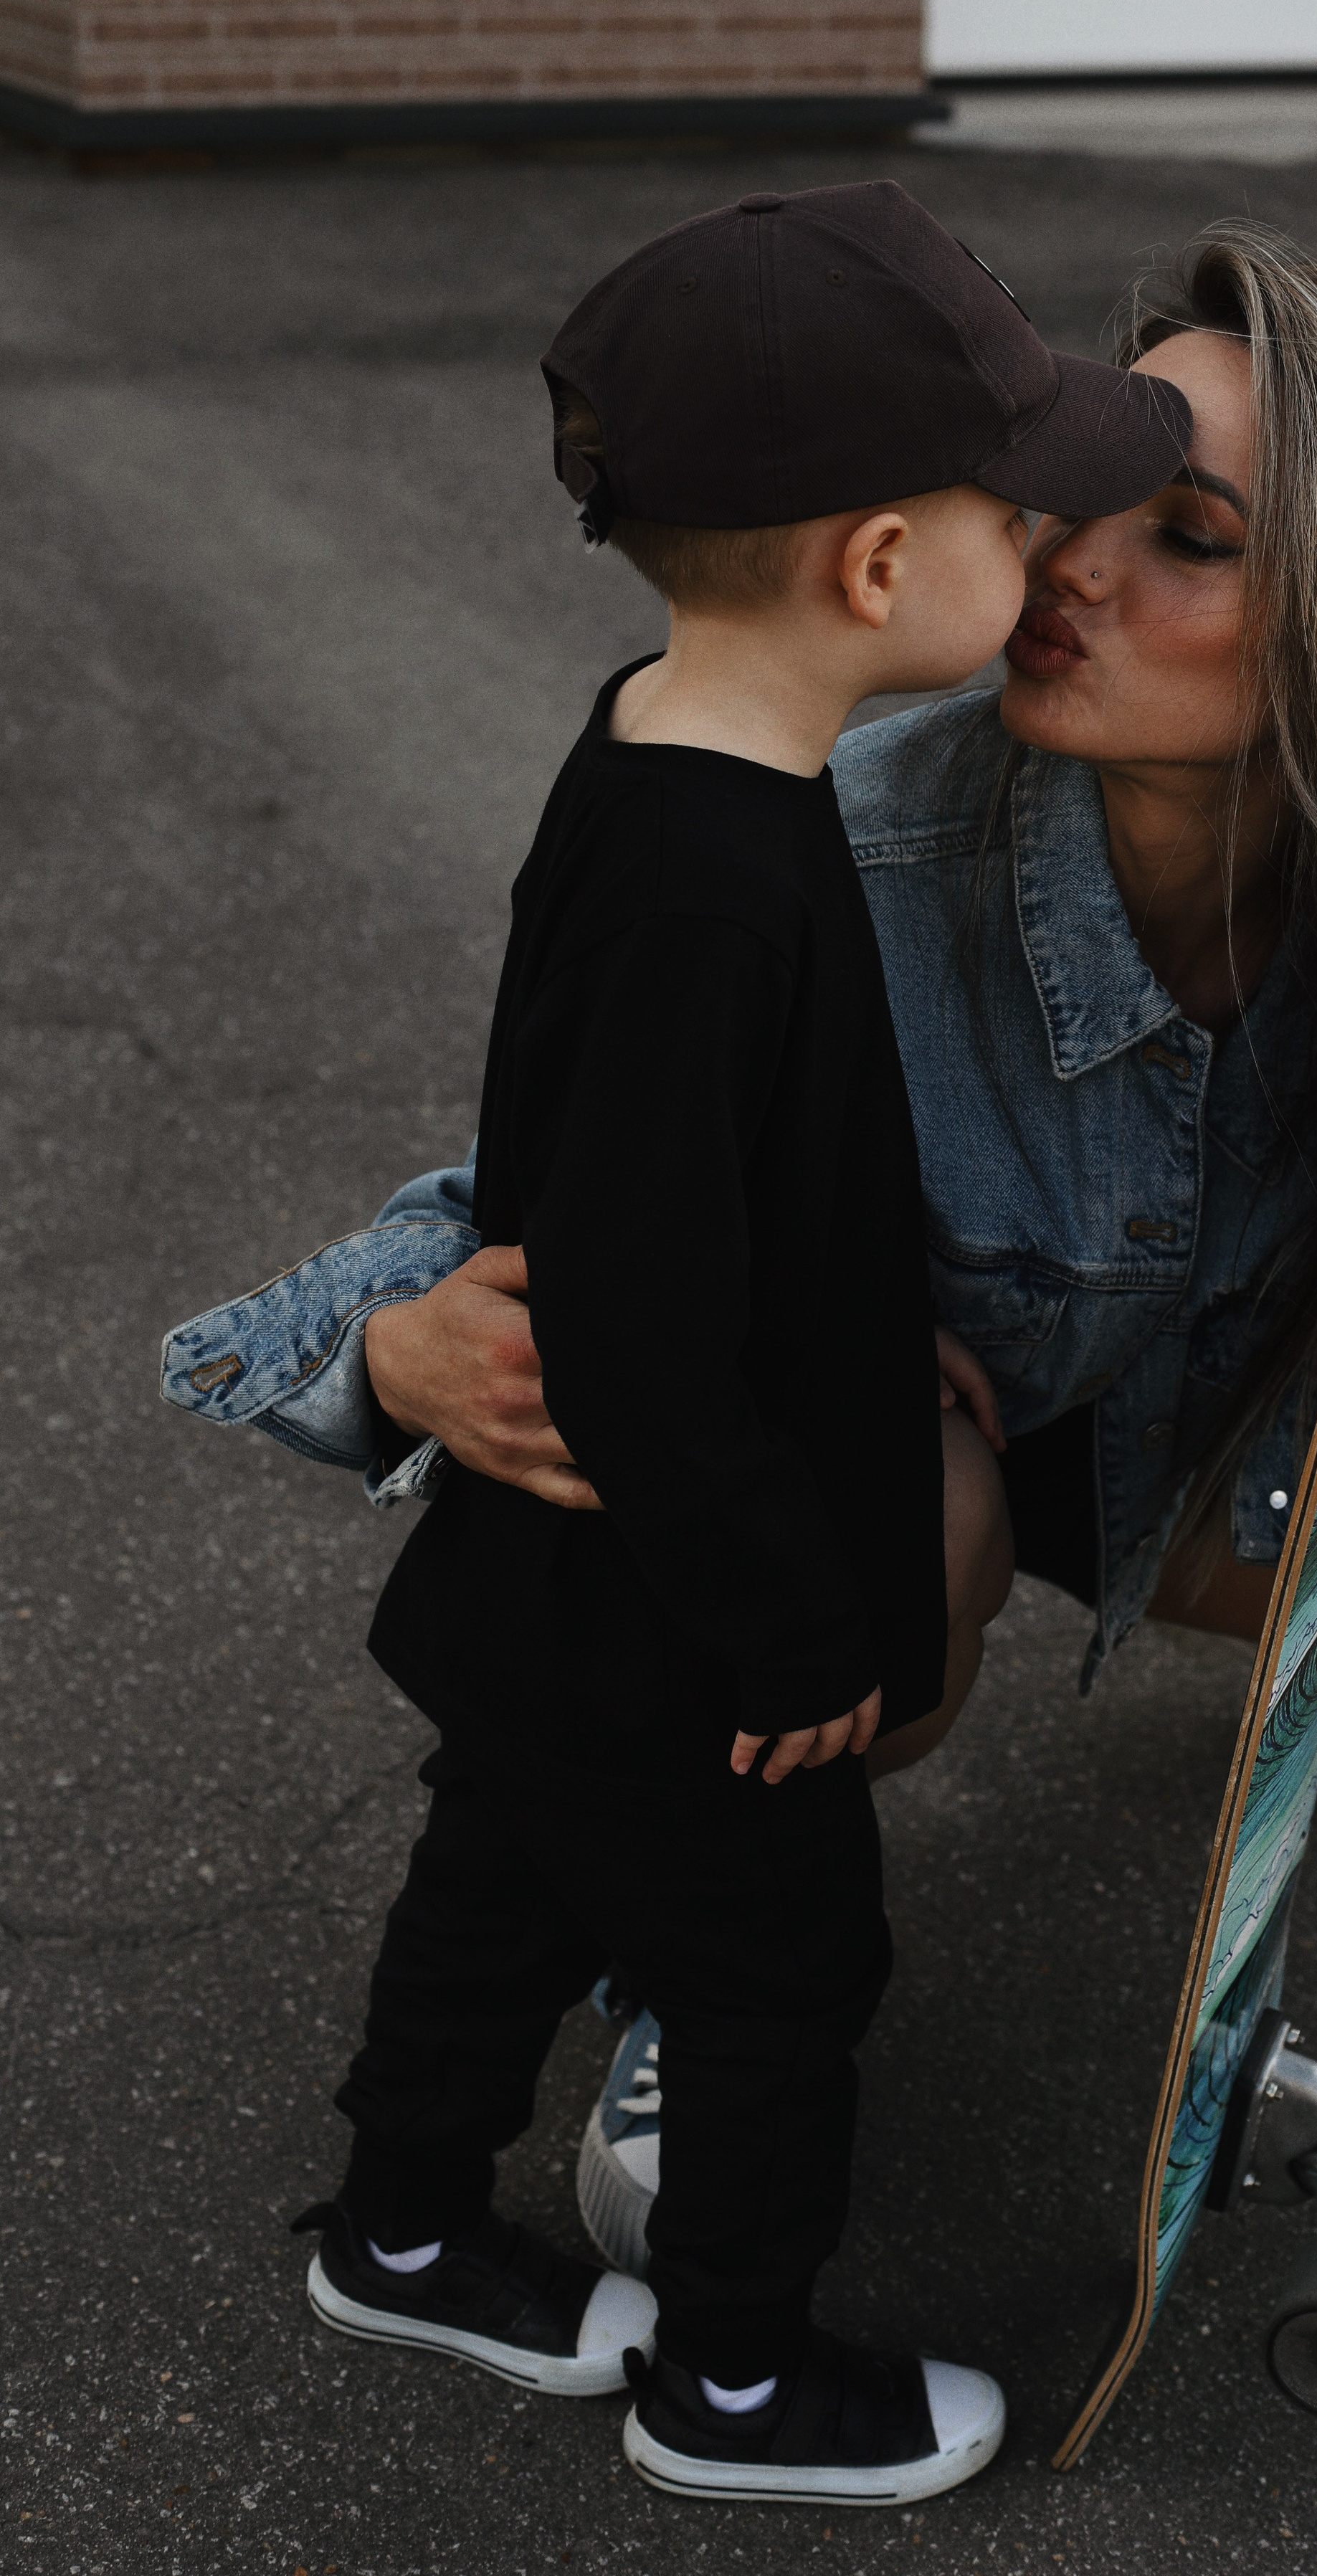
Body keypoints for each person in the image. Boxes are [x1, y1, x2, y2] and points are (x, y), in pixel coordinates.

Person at [163, 220, 1317, 2294]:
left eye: (1190, 539)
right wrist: (392, 1347)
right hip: (911, 1456)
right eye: (1085, 501)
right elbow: (557, 1206)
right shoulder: (832, 844)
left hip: (1231, 1457)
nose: (1068, 568)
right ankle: (709, 1949)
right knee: (898, 1551)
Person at [217, 181, 1194, 2508]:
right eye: (1018, 504)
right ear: (878, 568)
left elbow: (722, 1213)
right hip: (677, 1609)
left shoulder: (674, 759)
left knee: (503, 1883)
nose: (1049, 548)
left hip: (565, 1584)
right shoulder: (711, 888)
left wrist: (883, 1349)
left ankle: (405, 2225)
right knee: (781, 1971)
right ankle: (739, 2384)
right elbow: (645, 1322)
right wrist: (795, 1631)